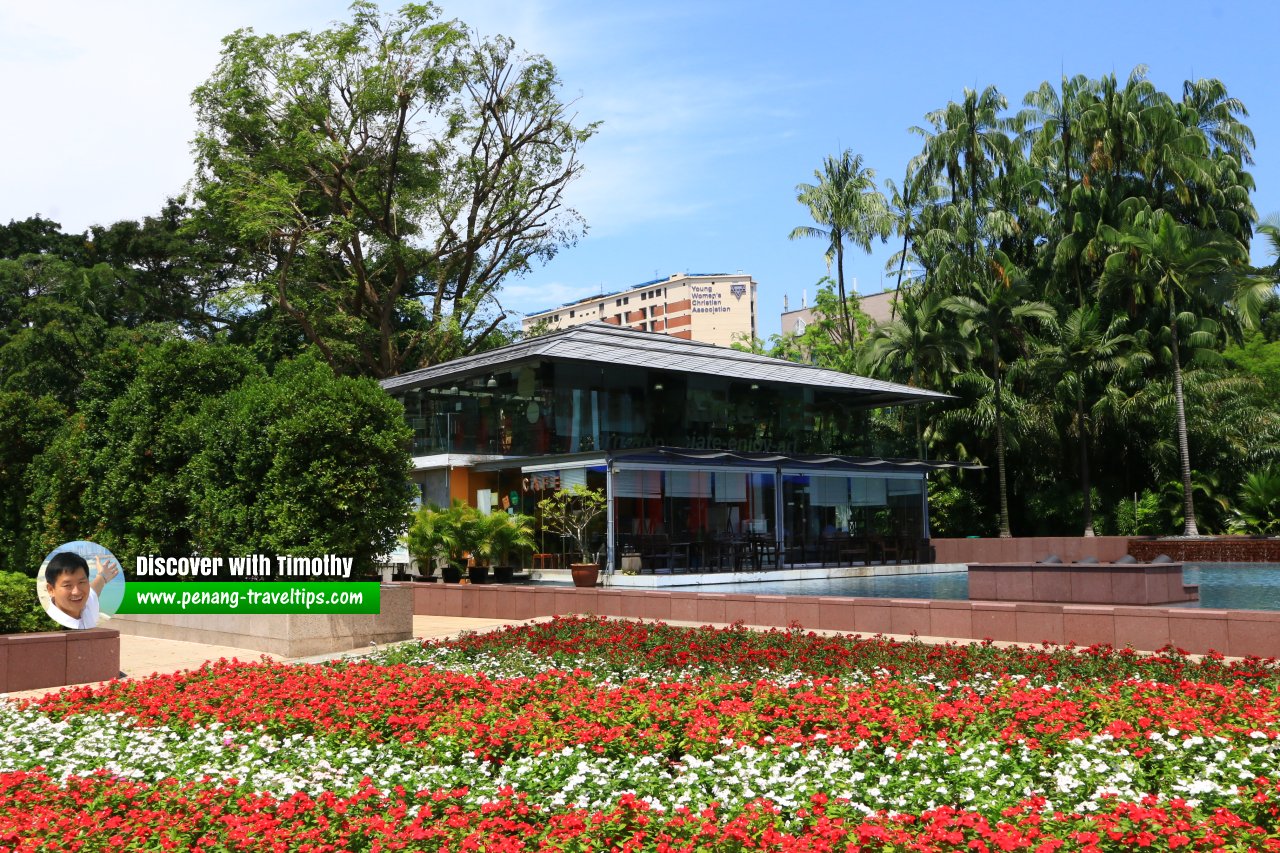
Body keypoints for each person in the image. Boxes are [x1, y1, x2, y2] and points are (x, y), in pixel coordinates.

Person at [42, 552, 119, 629]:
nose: (77, 592)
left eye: (81, 582)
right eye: (67, 585)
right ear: (51, 589)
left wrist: (102, 575)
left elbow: (94, 589)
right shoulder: (52, 626)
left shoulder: (87, 604)